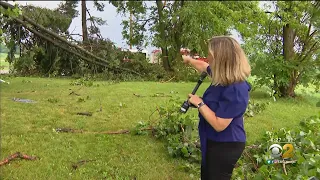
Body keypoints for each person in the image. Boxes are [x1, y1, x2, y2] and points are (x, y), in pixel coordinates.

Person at [182, 36, 251, 180]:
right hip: (213, 140)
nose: (208, 58)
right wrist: (189, 60)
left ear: (221, 59)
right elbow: (203, 67)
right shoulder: (223, 75)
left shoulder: (236, 89)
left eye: (210, 55)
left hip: (226, 145)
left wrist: (200, 103)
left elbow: (219, 124)